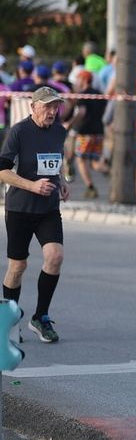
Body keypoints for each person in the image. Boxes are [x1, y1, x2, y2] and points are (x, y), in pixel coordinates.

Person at [0, 88, 70, 342]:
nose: (53, 112)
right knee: (18, 266)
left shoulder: (60, 131)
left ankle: (40, 317)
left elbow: (55, 161)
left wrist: (61, 181)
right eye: (48, 106)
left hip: (48, 208)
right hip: (20, 208)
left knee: (55, 256)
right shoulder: (19, 132)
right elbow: (3, 171)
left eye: (56, 107)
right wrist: (32, 185)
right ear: (33, 106)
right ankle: (7, 322)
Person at [67, 69, 108, 199]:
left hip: (85, 133)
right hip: (99, 132)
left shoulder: (83, 95)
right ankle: (113, 172)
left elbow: (82, 112)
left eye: (78, 79)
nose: (76, 83)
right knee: (95, 163)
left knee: (81, 160)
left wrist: (70, 123)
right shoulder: (100, 95)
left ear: (84, 80)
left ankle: (90, 187)